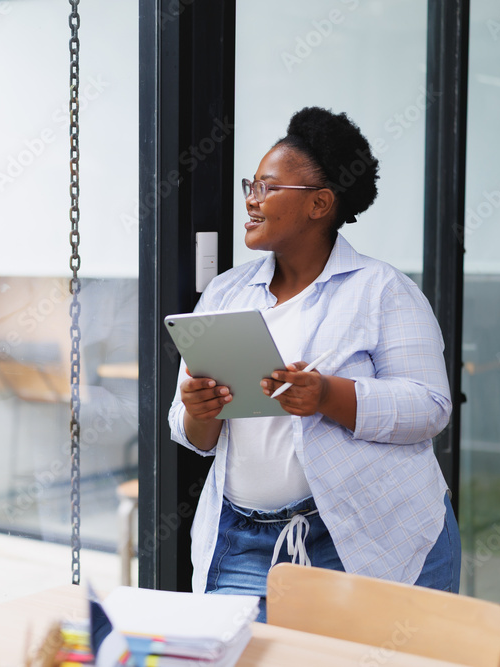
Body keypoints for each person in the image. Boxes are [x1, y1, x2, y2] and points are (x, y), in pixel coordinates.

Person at [168, 106, 460, 621]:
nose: (251, 201)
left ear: (319, 204)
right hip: (241, 541)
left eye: (267, 187)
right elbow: (195, 435)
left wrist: (327, 395)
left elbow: (431, 407)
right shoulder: (225, 292)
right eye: (250, 186)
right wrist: (199, 408)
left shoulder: (383, 290)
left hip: (365, 534)